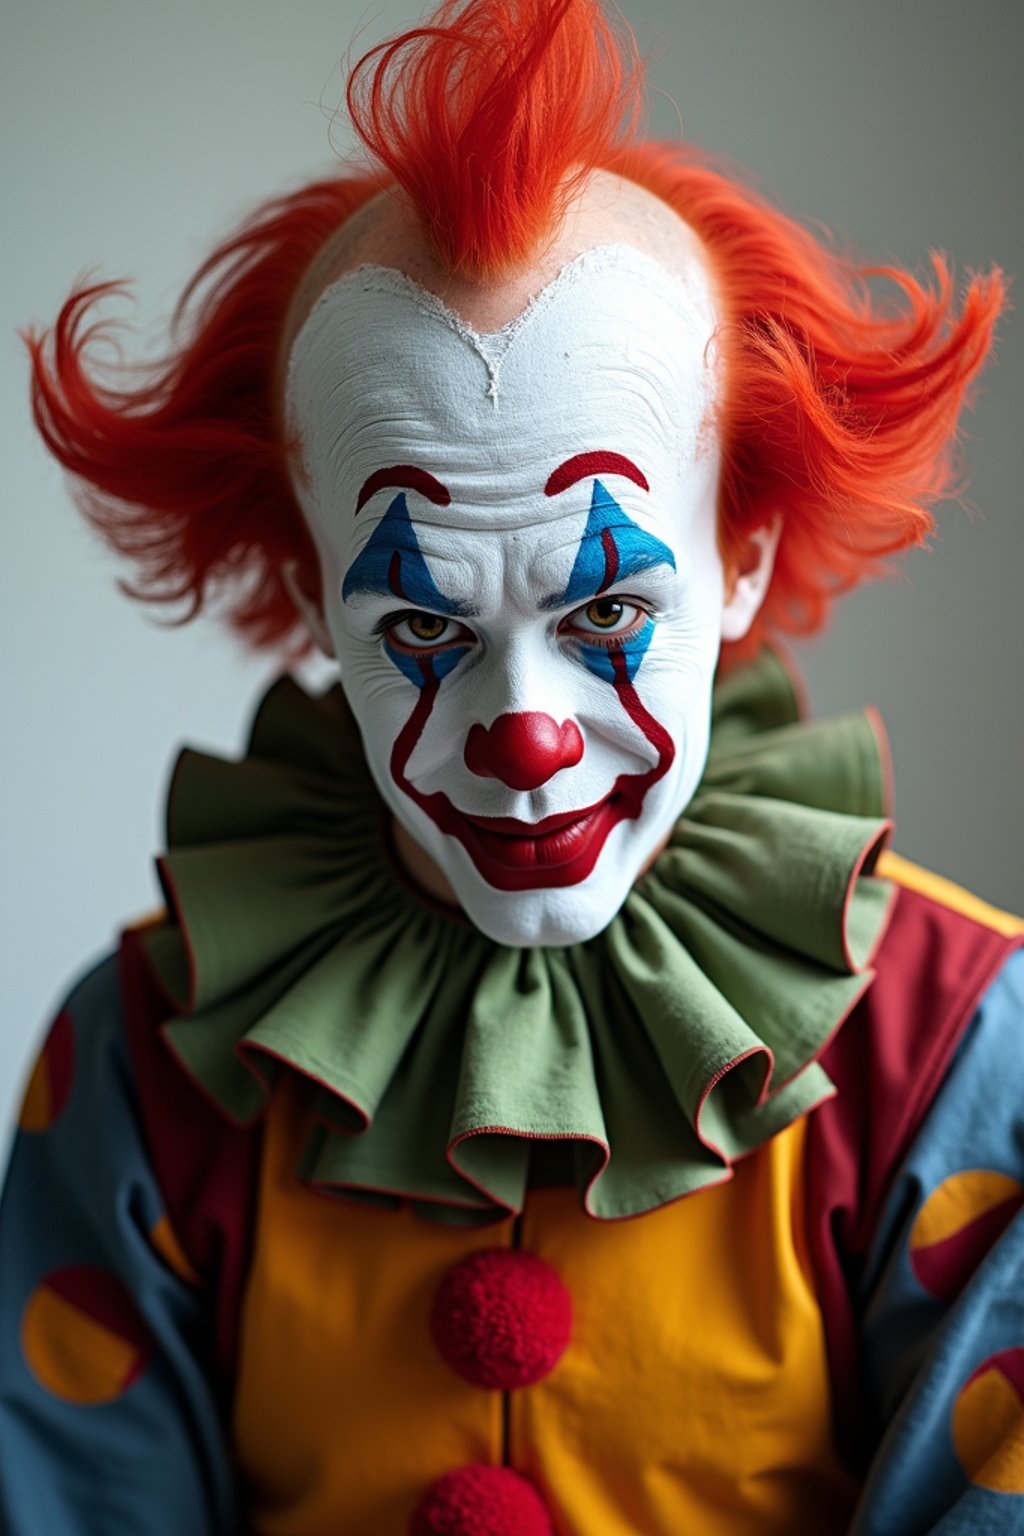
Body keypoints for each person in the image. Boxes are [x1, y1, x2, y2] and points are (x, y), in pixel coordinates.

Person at [2, 0, 1021, 1531]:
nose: (524, 734)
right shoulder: (147, 1063)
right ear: (302, 596)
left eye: (608, 606)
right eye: (420, 620)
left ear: (740, 559)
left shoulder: (954, 1051)